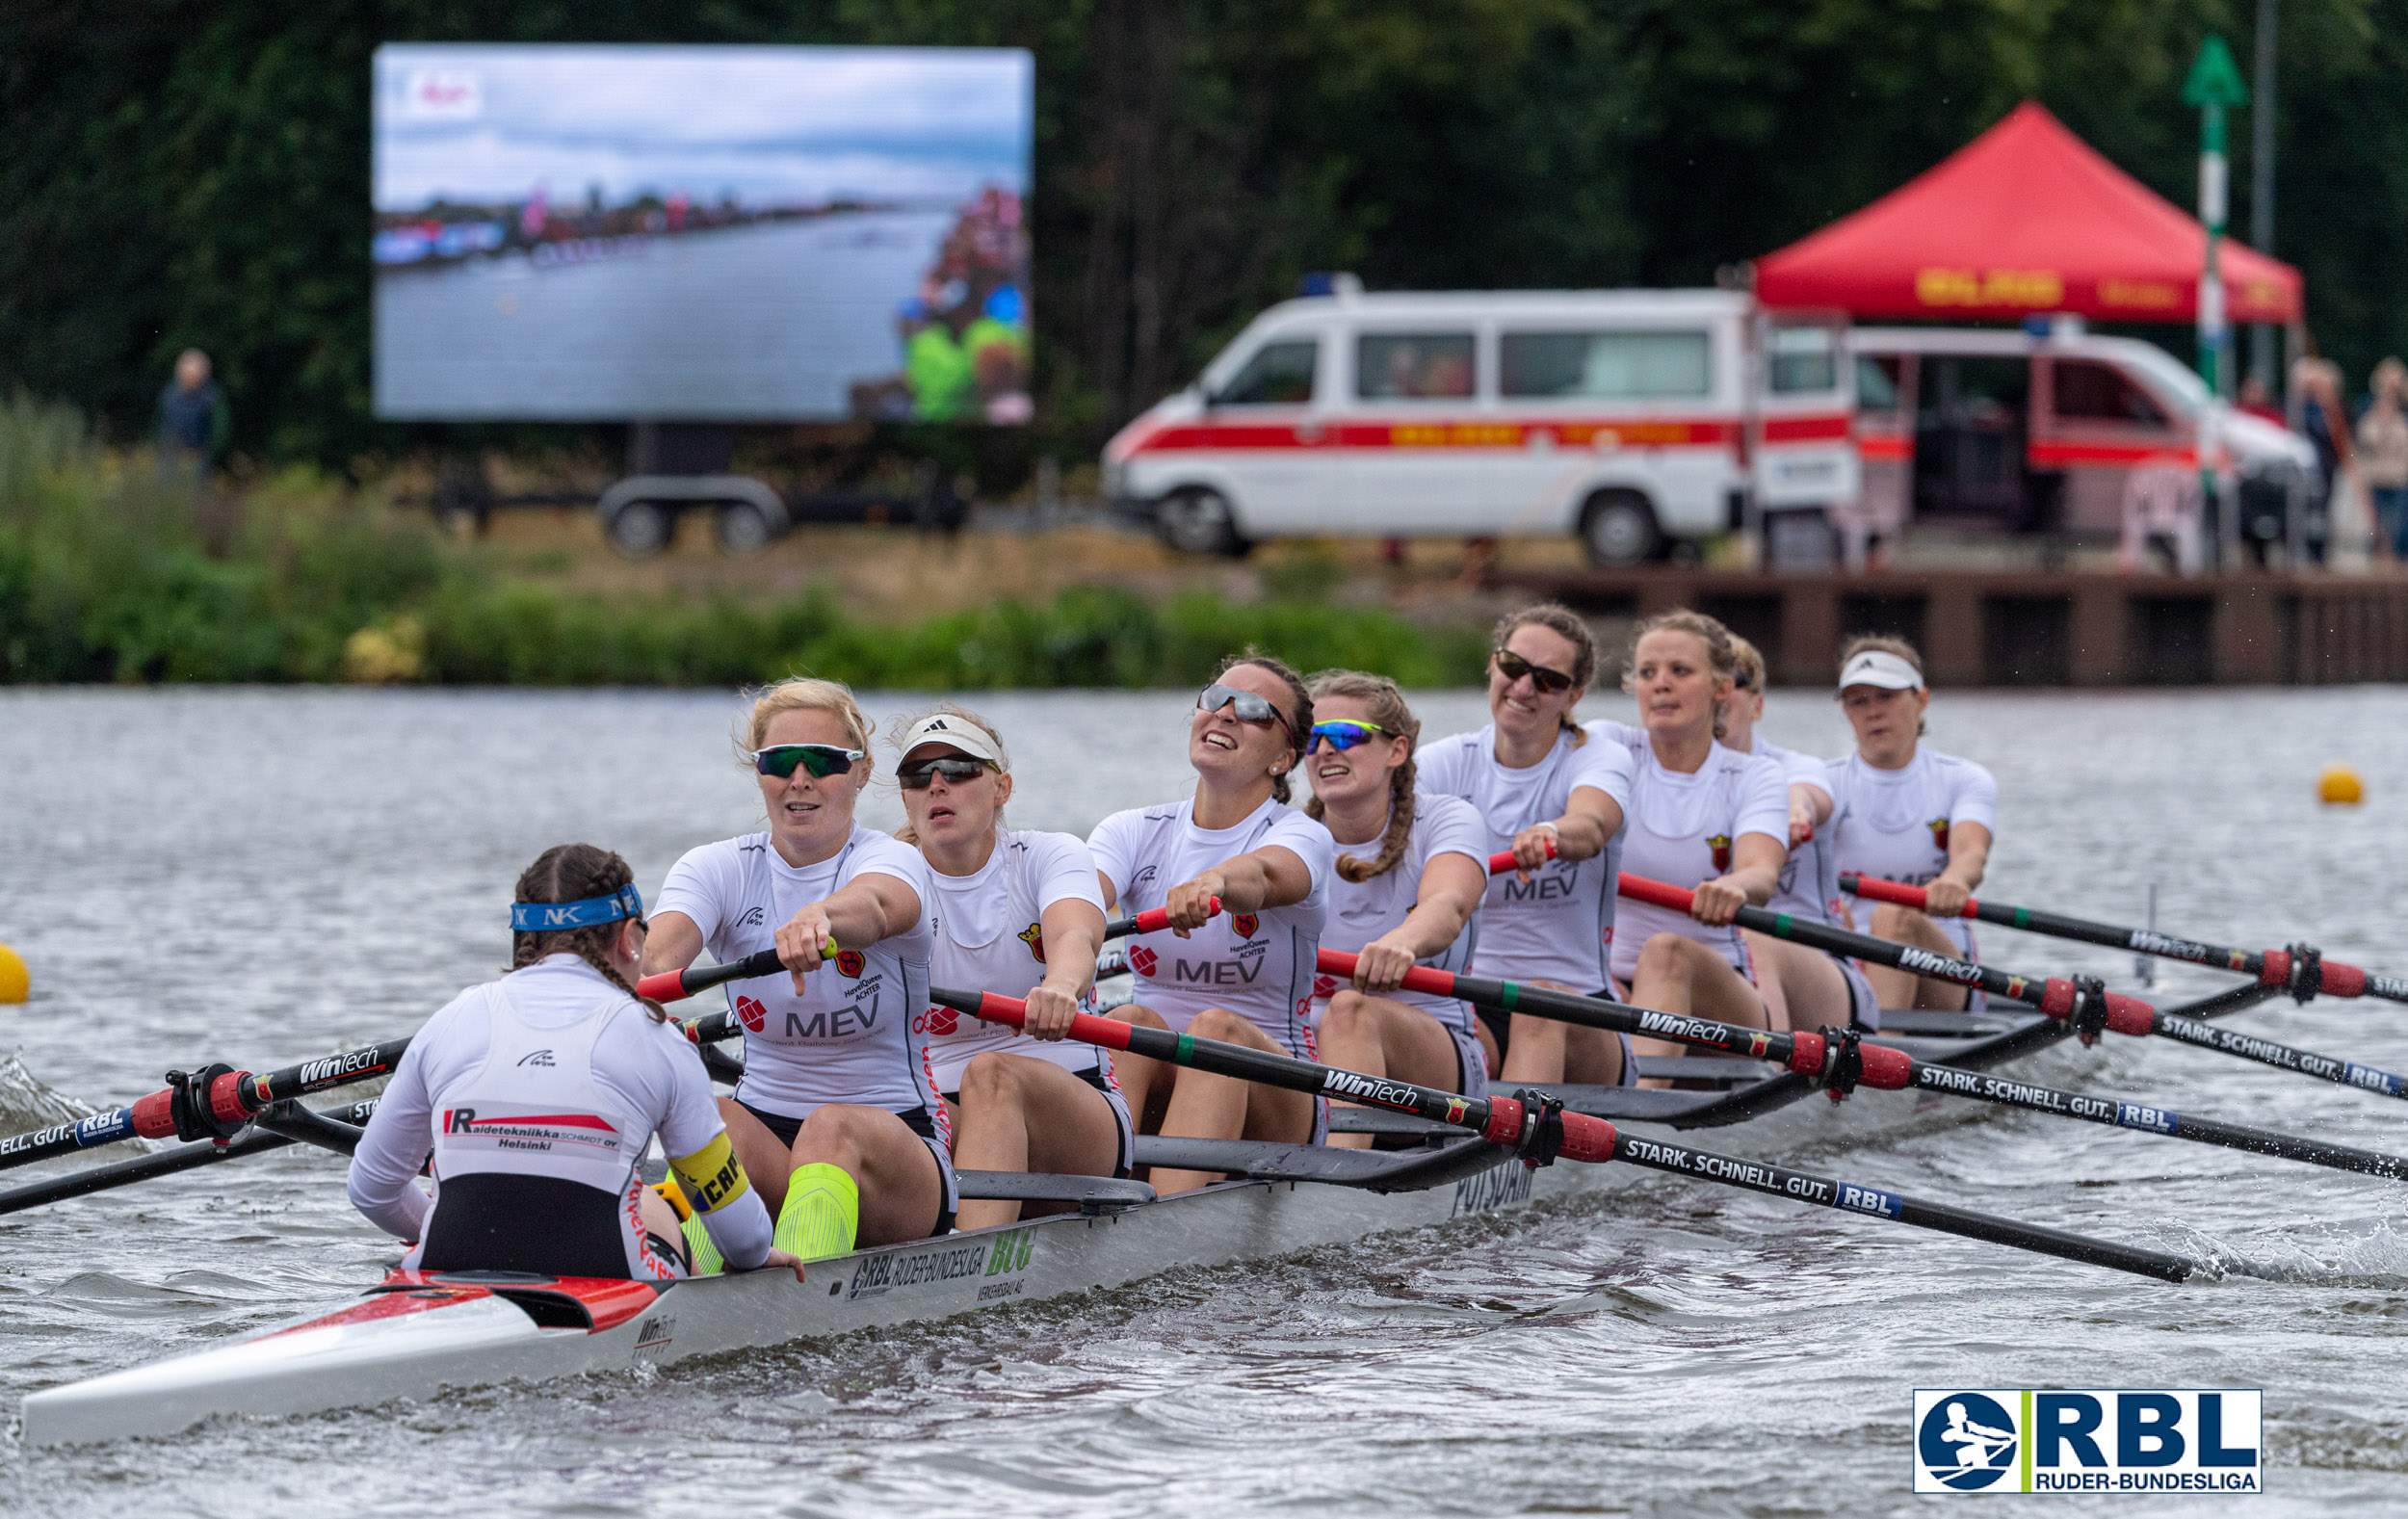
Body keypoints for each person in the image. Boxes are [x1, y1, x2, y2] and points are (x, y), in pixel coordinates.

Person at [347, 845, 802, 1284]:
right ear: (628, 938)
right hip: (608, 1276)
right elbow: (743, 1239)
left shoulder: (451, 1021)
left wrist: (448, 1222)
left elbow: (372, 1189)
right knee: (653, 1206)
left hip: (450, 1267)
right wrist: (758, 1255)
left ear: (525, 939)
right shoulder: (660, 1041)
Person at [642, 677, 950, 1267]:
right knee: (711, 1118)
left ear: (861, 772)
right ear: (759, 772)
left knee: (830, 1129)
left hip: (897, 1148)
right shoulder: (717, 868)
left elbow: (880, 906)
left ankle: (782, 1305)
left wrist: (820, 918)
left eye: (826, 762)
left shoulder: (893, 860)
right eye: (781, 761)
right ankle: (688, 1304)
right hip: (765, 1136)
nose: (800, 779)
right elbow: (655, 961)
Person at [1088, 654, 1334, 1193]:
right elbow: (1078, 901)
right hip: (1164, 1077)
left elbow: (1269, 875)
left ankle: (1164, 1228)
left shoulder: (1302, 836)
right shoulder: (1133, 830)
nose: (1225, 713)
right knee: (1129, 1018)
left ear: (1283, 757)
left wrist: (1217, 882)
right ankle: (1099, 1203)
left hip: (1281, 1093)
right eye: (1215, 698)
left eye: (1252, 709)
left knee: (1214, 1030)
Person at [891, 704, 1126, 1230]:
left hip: (1074, 1113)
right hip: (940, 1112)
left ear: (1002, 788)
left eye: (958, 770)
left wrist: (1062, 986)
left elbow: (1074, 935)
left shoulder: (1049, 855)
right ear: (904, 795)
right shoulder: (883, 879)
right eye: (918, 775)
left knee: (991, 1073)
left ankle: (965, 1272)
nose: (937, 786)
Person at [1417, 604, 1633, 1087]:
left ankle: (1506, 1156)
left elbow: (1593, 824)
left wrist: (1554, 834)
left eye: (1547, 680)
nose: (1523, 688)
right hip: (1474, 1002)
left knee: (1537, 1007)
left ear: (1572, 695)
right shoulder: (1445, 763)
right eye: (1513, 668)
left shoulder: (1596, 756)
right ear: (1493, 666)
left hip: (1581, 1007)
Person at [1299, 671, 1490, 1146]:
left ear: (1397, 751)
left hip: (1436, 1058)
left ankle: (1333, 1186)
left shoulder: (1446, 819)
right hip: (1303, 1051)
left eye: (1344, 735)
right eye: (1312, 738)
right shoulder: (1284, 837)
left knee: (1349, 1010)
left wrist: (1402, 941)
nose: (1325, 750)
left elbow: (1447, 904)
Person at [1583, 613, 1788, 1052]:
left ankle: (1637, 1109)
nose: (1660, 684)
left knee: (1666, 952)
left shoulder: (1754, 776)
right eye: (1647, 673)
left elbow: (1761, 874)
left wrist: (1734, 885)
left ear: (1721, 687)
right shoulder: (1606, 746)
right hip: (1609, 986)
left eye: (1680, 671)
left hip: (1722, 997)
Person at [1717, 636, 1885, 1032]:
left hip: (1822, 969)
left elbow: (1807, 794)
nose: (1719, 694)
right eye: (1709, 682)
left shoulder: (1793, 767)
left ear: (1757, 704)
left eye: (1733, 682)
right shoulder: (1655, 777)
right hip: (1714, 965)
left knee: (1754, 938)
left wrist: (1793, 811)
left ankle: (1759, 1078)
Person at [1823, 638, 1997, 1011]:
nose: (1873, 712)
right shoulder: (1820, 786)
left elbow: (1971, 853)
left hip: (1943, 973)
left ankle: (1877, 1057)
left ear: (1921, 700)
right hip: (1849, 964)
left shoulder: (1963, 779)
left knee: (1893, 915)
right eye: (1858, 701)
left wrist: (1954, 881)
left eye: (1885, 696)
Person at [2357, 358, 2408, 565]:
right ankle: (2378, 559)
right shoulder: (2368, 413)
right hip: (2377, 476)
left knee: (2400, 523)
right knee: (2376, 523)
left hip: (2399, 476)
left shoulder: (2403, 416)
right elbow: (2366, 442)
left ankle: (2398, 558)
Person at [155, 349, 227, 483]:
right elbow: (158, 423)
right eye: (187, 374)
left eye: (194, 375)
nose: (190, 378)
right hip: (170, 455)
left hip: (199, 457)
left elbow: (220, 430)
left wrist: (209, 450)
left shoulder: (211, 397)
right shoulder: (169, 394)